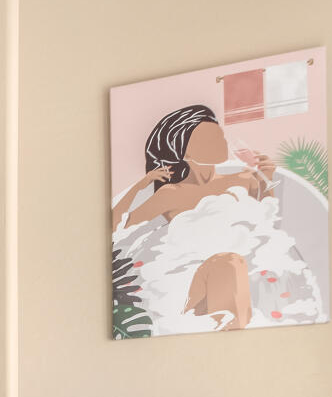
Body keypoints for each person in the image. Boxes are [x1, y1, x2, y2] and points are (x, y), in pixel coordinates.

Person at [111, 104, 313, 333]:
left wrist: (267, 182)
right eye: (209, 138)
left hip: (247, 271)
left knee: (237, 266)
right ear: (184, 151)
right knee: (228, 264)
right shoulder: (171, 194)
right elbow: (116, 228)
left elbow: (270, 225)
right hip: (188, 278)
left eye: (221, 136)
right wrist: (140, 185)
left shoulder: (245, 179)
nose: (222, 143)